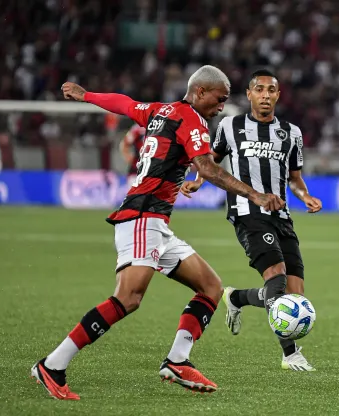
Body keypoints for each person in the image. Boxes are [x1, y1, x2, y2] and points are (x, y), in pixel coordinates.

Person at [30, 65, 286, 400]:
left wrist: (87, 95)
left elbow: (124, 104)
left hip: (157, 223)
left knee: (210, 287)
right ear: (200, 92)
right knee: (128, 298)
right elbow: (206, 168)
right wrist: (255, 195)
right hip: (140, 217)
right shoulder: (193, 120)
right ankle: (52, 365)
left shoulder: (159, 111)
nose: (222, 106)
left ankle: (177, 361)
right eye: (219, 99)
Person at [180, 69, 322, 371]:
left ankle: (236, 298)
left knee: (295, 294)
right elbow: (211, 161)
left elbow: (294, 178)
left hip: (281, 215)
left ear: (278, 95)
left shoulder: (291, 133)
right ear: (249, 94)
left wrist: (305, 195)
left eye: (271, 90)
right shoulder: (230, 126)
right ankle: (290, 354)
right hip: (247, 212)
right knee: (276, 276)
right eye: (260, 89)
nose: (266, 95)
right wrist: (197, 181)